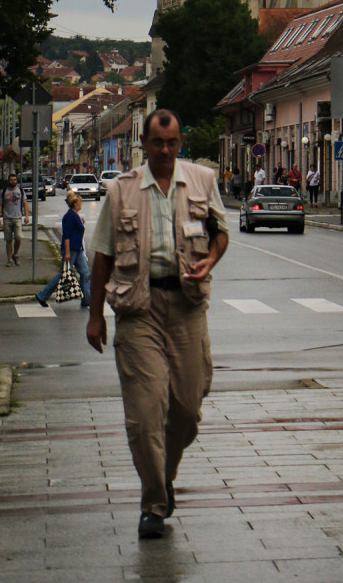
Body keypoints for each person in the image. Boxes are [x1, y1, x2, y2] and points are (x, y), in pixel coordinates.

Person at [87, 109, 229, 541]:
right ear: (144, 144)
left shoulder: (202, 181)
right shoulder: (122, 191)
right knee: (146, 414)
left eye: (172, 143)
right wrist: (95, 316)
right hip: (139, 310)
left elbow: (220, 232)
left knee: (186, 411)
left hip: (187, 308)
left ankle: (163, 476)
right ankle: (153, 501)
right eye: (157, 143)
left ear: (180, 141)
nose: (165, 150)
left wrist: (211, 258)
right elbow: (103, 256)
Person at [36, 191, 91, 309]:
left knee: (85, 272)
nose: (81, 203)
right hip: (71, 250)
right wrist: (66, 252)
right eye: (80, 201)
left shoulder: (75, 215)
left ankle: (87, 299)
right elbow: (66, 235)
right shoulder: (69, 216)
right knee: (64, 274)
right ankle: (42, 295)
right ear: (74, 203)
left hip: (78, 249)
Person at [0, 172, 29, 266]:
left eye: (14, 180)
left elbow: (25, 203)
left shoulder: (20, 191)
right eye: (11, 180)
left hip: (17, 218)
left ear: (16, 181)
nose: (13, 181)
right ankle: (9, 260)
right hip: (7, 218)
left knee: (18, 237)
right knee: (8, 240)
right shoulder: (4, 191)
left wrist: (26, 216)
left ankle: (15, 254)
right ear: (8, 180)